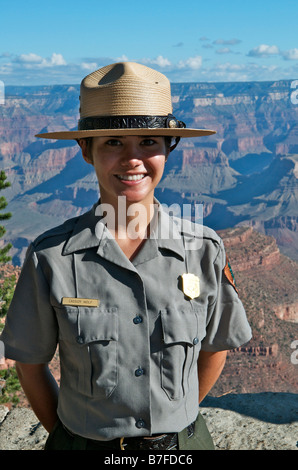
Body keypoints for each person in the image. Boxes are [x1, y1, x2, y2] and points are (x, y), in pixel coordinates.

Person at [0, 62, 252, 451]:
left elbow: (215, 347)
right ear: (85, 150)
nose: (133, 159)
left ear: (170, 148)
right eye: (114, 142)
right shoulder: (50, 257)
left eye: (149, 142)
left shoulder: (203, 249)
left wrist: (174, 418)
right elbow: (30, 366)